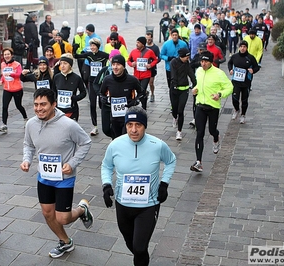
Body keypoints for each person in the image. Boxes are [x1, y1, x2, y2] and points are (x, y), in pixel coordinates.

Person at [21, 88, 93, 259]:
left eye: (43, 104)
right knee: (47, 213)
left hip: (64, 178)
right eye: (36, 105)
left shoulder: (68, 125)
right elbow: (28, 144)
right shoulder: (31, 124)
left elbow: (86, 142)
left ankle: (82, 210)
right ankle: (65, 242)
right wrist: (27, 160)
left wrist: (72, 163)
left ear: (54, 104)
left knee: (63, 218)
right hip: (44, 176)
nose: (39, 108)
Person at [101, 105, 176, 266]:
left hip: (148, 205)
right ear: (125, 125)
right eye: (130, 125)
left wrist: (164, 183)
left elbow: (171, 161)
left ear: (145, 126)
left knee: (140, 247)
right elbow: (106, 166)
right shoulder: (115, 145)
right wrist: (106, 185)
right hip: (123, 204)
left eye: (138, 125)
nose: (134, 130)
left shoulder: (158, 145)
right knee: (132, 245)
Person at [190, 51, 233, 172]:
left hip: (213, 106)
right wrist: (195, 89)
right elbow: (198, 85)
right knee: (200, 133)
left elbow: (229, 87)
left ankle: (216, 138)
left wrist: (220, 94)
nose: (203, 64)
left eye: (206, 62)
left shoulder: (219, 73)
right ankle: (199, 162)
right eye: (202, 61)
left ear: (211, 62)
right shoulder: (198, 71)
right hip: (200, 105)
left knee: (212, 130)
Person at [100, 54, 143, 139]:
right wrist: (103, 98)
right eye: (113, 64)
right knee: (108, 132)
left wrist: (135, 101)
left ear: (123, 66)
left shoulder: (132, 80)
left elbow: (142, 93)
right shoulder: (107, 79)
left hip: (127, 115)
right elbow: (101, 93)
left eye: (118, 65)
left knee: (123, 137)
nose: (115, 67)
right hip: (113, 115)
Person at [74, 38, 109, 136]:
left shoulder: (103, 55)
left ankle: (107, 123)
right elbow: (77, 56)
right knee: (92, 104)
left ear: (97, 46)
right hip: (92, 82)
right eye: (91, 46)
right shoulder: (89, 55)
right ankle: (95, 126)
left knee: (103, 104)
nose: (92, 48)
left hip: (102, 83)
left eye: (94, 46)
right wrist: (74, 49)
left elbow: (114, 58)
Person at [227, 40, 259, 124]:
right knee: (235, 98)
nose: (242, 48)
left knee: (244, 100)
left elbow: (257, 67)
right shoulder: (235, 56)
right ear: (239, 47)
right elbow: (229, 63)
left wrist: (253, 70)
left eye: (244, 47)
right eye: (241, 46)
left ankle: (243, 115)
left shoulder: (250, 57)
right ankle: (237, 110)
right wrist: (230, 70)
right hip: (236, 82)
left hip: (246, 83)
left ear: (246, 48)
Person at [0, 47, 28, 133]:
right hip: (7, 89)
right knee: (4, 107)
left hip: (17, 89)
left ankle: (25, 118)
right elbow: (3, 75)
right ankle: (4, 125)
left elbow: (19, 74)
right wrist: (1, 80)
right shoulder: (3, 64)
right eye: (5, 54)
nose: (6, 56)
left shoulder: (17, 64)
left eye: (8, 54)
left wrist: (11, 74)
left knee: (18, 105)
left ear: (11, 55)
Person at [170, 48, 196, 141]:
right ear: (181, 56)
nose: (187, 58)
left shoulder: (187, 63)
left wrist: (195, 83)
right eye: (186, 57)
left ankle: (179, 131)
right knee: (174, 109)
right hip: (174, 89)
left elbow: (191, 73)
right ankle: (174, 117)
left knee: (180, 111)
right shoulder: (174, 62)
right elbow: (173, 74)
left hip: (184, 90)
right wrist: (175, 84)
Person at [52, 53, 87, 121]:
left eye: (65, 63)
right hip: (58, 111)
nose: (62, 66)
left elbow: (83, 92)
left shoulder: (77, 78)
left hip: (72, 111)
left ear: (70, 65)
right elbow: (53, 91)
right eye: (61, 63)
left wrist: (75, 98)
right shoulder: (57, 77)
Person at [127, 36, 158, 110]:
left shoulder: (149, 51)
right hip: (136, 75)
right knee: (140, 91)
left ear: (143, 44)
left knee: (142, 89)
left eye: (138, 43)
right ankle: (144, 104)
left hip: (146, 75)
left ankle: (142, 106)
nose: (136, 44)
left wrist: (150, 65)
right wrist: (132, 64)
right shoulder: (133, 51)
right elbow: (128, 60)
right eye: (136, 42)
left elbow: (155, 60)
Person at [188, 42, 207, 128]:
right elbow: (191, 64)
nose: (201, 51)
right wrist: (198, 64)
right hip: (197, 82)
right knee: (195, 101)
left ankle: (203, 118)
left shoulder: (208, 57)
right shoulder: (196, 57)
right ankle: (195, 118)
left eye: (202, 50)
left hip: (206, 82)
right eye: (200, 50)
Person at [145, 31, 160, 103]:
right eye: (147, 39)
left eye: (149, 39)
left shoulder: (155, 48)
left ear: (152, 38)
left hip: (152, 68)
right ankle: (144, 94)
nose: (148, 41)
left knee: (151, 83)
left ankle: (152, 94)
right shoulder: (143, 47)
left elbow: (159, 58)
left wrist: (152, 63)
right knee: (143, 83)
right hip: (144, 68)